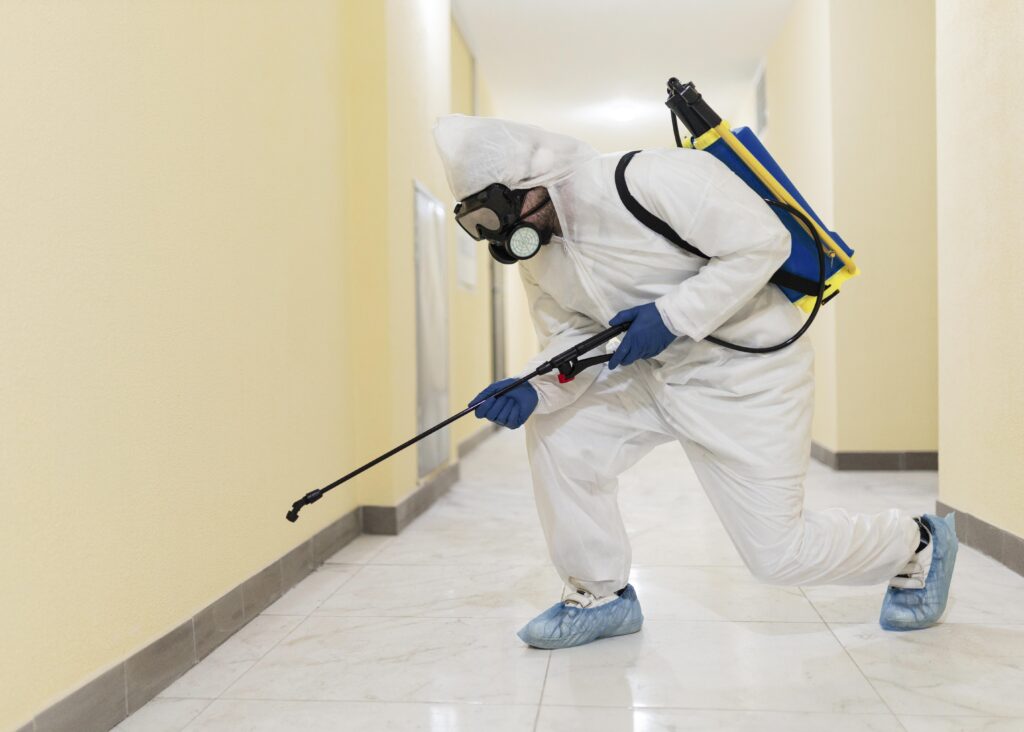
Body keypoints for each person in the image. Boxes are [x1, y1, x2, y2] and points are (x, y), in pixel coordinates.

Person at [433, 114, 957, 650]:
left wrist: (672, 315)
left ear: (531, 180)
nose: (501, 235)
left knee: (779, 556)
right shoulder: (541, 254)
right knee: (559, 432)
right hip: (648, 376)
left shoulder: (648, 178)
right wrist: (533, 385)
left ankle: (916, 543)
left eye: (499, 214)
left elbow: (762, 243)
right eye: (480, 224)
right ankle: (601, 594)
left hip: (746, 377)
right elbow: (573, 336)